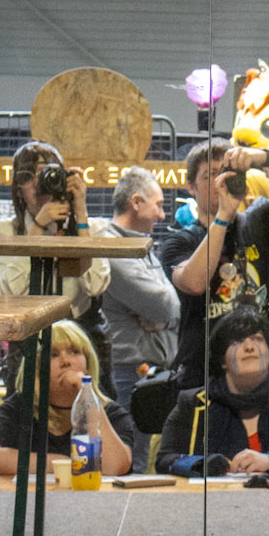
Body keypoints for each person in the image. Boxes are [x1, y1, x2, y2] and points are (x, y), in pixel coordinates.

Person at [161, 137, 269, 388]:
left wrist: (264, 158)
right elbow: (194, 283)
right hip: (204, 378)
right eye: (210, 175)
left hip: (266, 375)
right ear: (191, 187)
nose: (220, 181)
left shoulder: (260, 223)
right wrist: (223, 215)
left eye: (226, 172)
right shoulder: (180, 241)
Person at [0, 141, 116, 397]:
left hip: (82, 337)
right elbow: (13, 293)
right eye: (29, 176)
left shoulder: (92, 228)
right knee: (22, 410)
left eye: (48, 173)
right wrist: (37, 228)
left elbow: (96, 286)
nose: (40, 184)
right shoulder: (5, 231)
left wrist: (81, 214)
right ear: (18, 186)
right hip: (29, 340)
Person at [154, 309, 269, 477]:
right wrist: (204, 464)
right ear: (222, 360)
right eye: (237, 341)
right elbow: (165, 459)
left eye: (258, 339)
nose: (249, 347)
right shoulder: (192, 403)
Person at [0, 318, 134, 477]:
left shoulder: (111, 413)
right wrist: (60, 463)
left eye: (74, 352)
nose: (66, 361)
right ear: (37, 368)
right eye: (53, 355)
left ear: (87, 364)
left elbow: (115, 467)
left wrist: (88, 396)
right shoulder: (21, 406)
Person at [94, 166, 179, 458]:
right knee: (132, 460)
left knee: (145, 458)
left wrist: (166, 321)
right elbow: (165, 302)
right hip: (129, 375)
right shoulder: (112, 247)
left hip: (151, 373)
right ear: (136, 202)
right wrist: (168, 315)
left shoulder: (139, 244)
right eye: (159, 205)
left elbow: (169, 304)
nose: (162, 215)